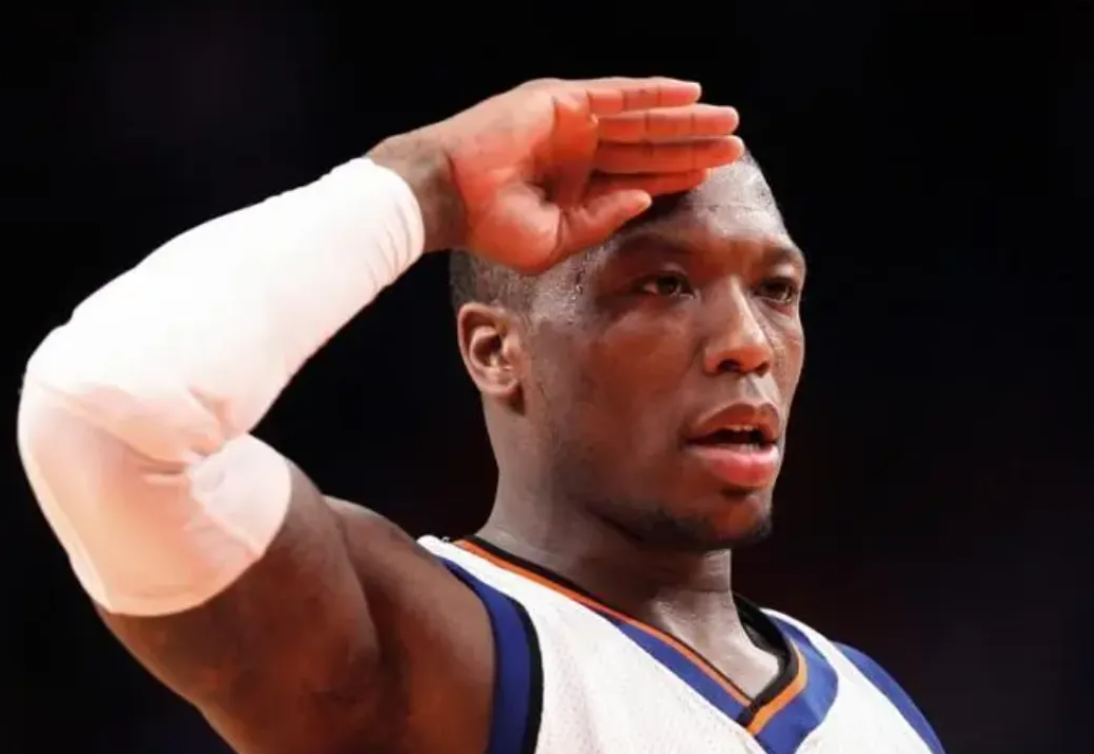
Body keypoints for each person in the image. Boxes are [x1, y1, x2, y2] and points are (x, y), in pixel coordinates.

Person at [17, 76, 945, 754]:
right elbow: (106, 414)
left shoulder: (878, 708)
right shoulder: (432, 655)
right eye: (664, 284)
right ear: (497, 351)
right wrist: (423, 187)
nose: (747, 342)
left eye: (776, 290)